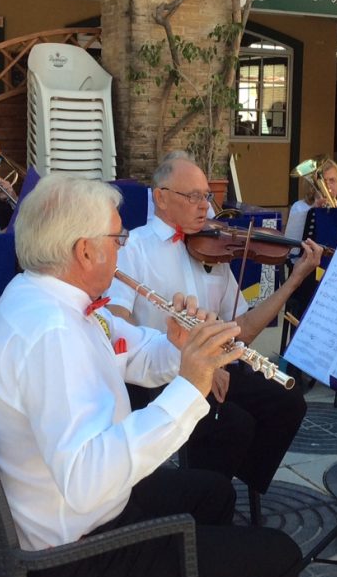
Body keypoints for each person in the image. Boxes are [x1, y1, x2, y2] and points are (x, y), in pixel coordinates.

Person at [0, 175, 301, 577]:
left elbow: (129, 348)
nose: (123, 245)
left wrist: (182, 348)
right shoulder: (51, 333)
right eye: (116, 236)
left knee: (213, 493)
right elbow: (87, 479)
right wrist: (189, 388)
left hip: (68, 509)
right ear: (84, 250)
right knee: (279, 557)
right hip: (70, 559)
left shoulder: (41, 293)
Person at [107, 153, 322, 498]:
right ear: (160, 197)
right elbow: (117, 317)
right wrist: (187, 360)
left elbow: (243, 328)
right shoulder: (134, 248)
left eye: (206, 196)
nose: (204, 206)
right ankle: (206, 507)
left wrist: (293, 281)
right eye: (192, 196)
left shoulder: (214, 249)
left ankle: (237, 486)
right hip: (163, 375)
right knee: (233, 425)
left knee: (288, 401)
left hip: (218, 367)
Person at [284, 156, 337, 242]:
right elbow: (291, 240)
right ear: (312, 185)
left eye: (332, 180)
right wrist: (313, 211)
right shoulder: (299, 207)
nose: (328, 186)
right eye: (324, 181)